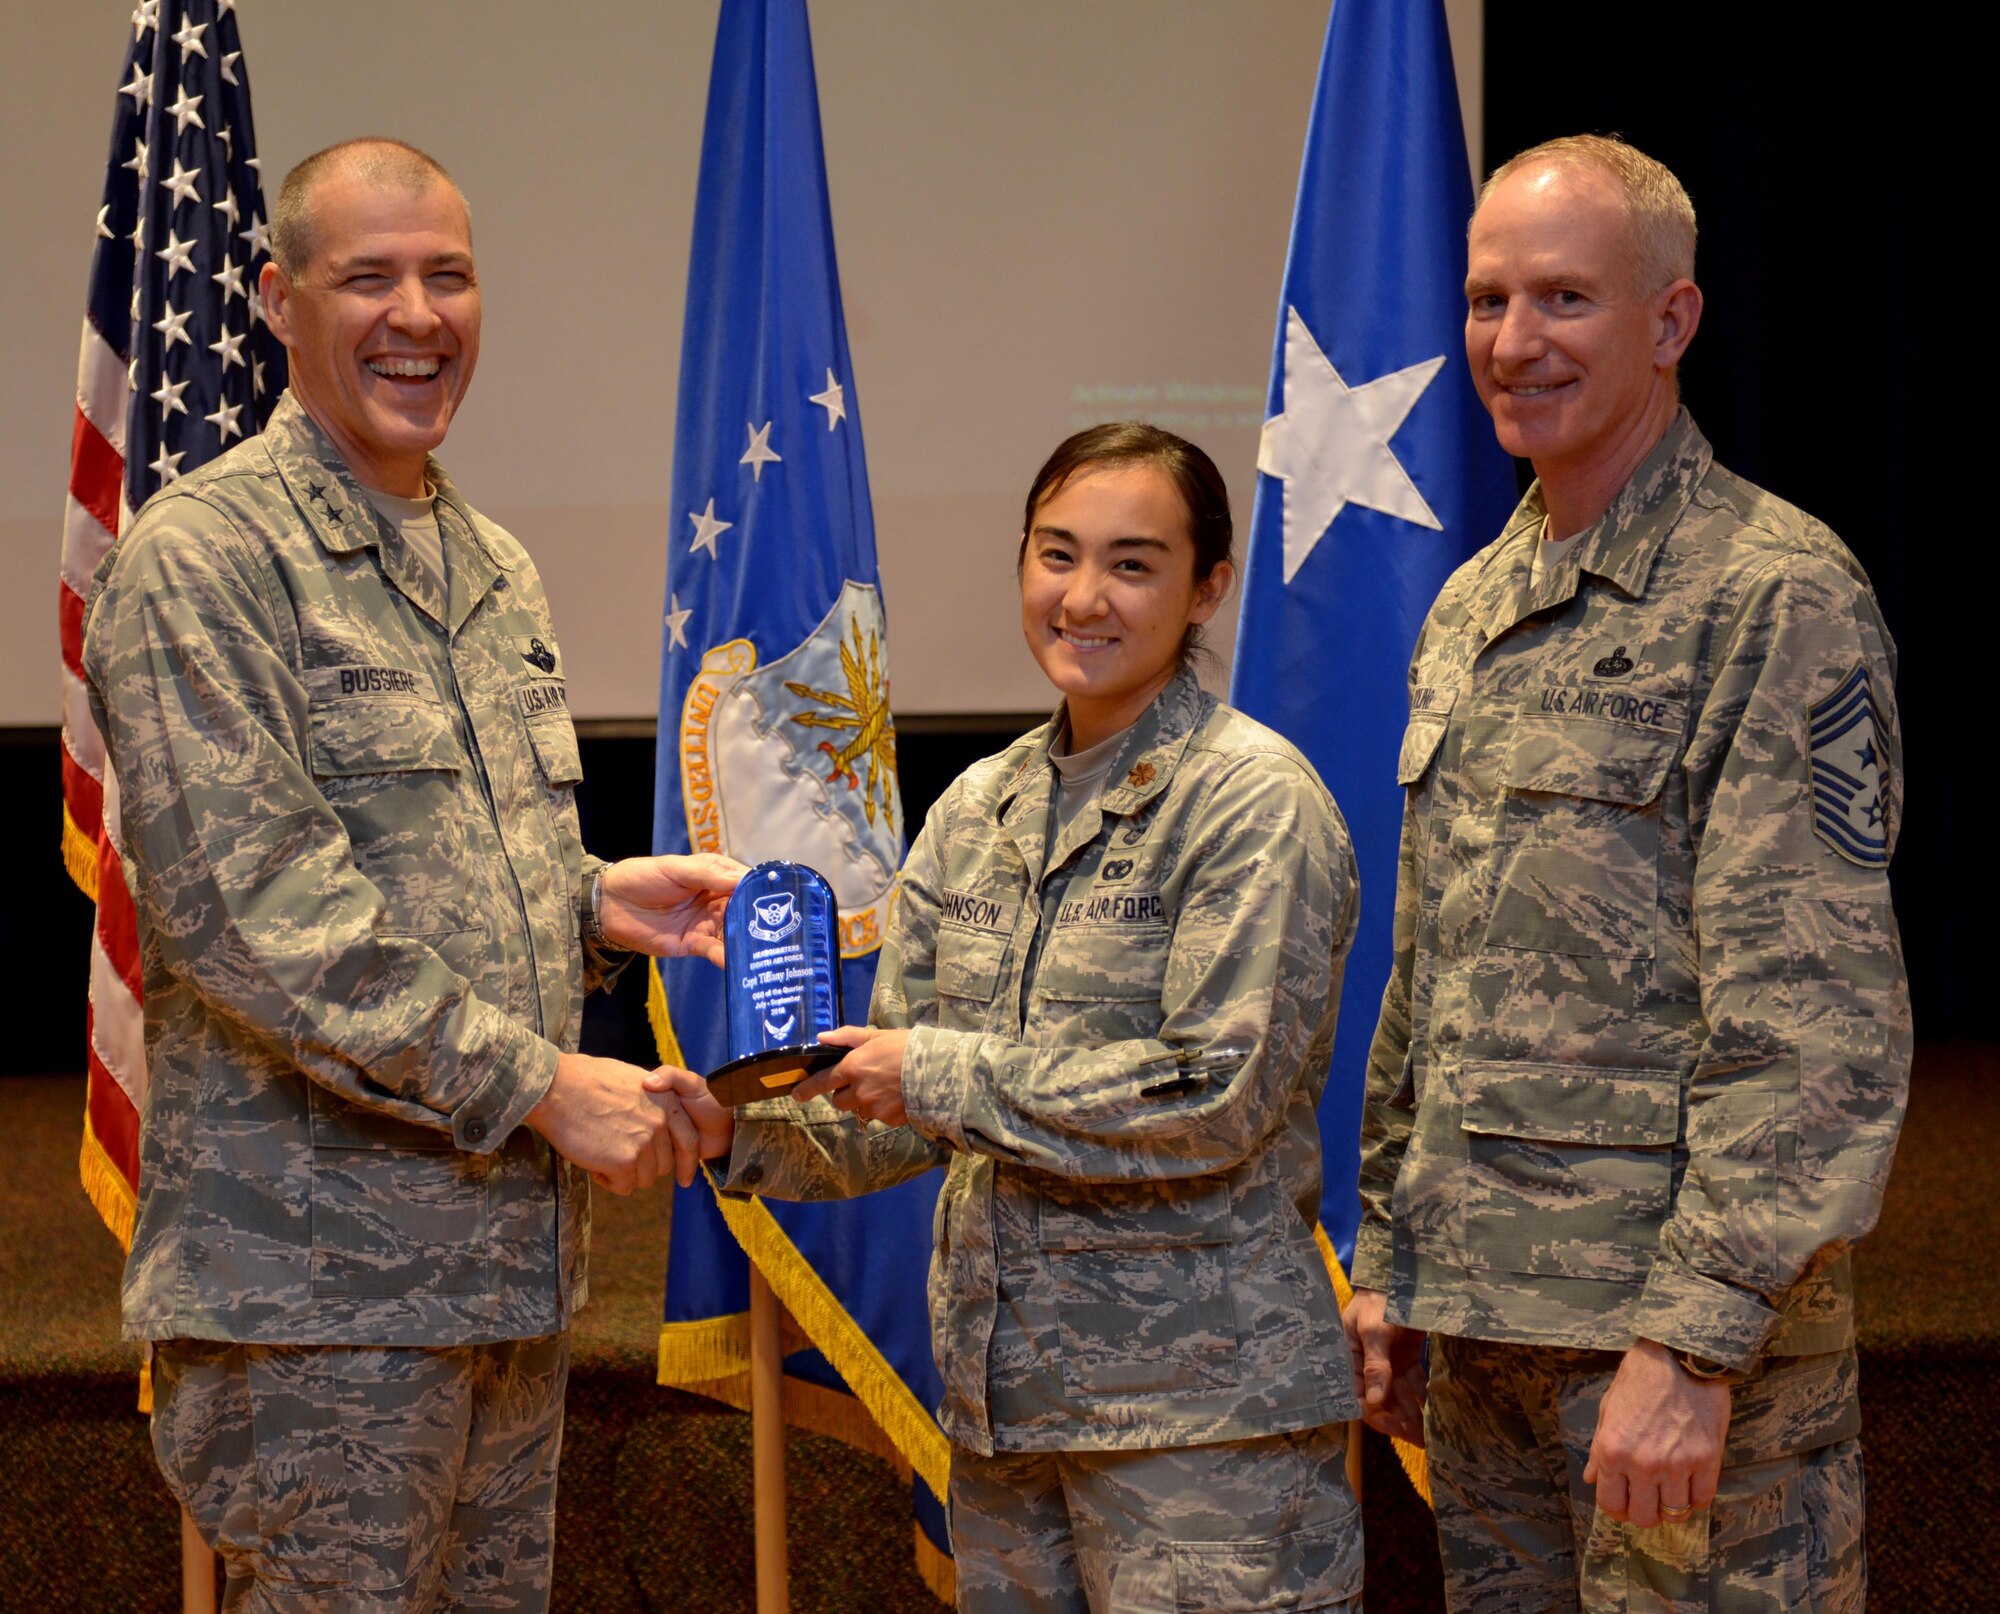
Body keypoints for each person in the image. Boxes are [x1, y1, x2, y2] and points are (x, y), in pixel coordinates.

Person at [82, 138, 741, 1610]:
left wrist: (591, 899)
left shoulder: (487, 561)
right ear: (277, 298)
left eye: (448, 273)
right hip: (323, 1296)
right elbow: (265, 921)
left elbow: (434, 860)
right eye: (367, 275)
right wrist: (546, 1083)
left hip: (498, 1271)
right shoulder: (206, 560)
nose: (418, 314)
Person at [1341, 135, 1911, 1612]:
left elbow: (1815, 1026)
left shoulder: (1774, 595)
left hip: (1672, 1363)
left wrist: (1698, 1341)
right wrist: (1395, 1261)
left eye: (1564, 300)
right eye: (1485, 300)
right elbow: (1437, 976)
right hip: (1487, 1344)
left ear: (1671, 322)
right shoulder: (1475, 603)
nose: (1512, 343)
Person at [669, 424, 1364, 1613]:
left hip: (1199, 1435)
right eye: (1055, 554)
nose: (1082, 597)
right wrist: (739, 1133)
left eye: (1132, 564)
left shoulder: (1252, 803)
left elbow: (1213, 1094)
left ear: (1207, 587)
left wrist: (933, 1073)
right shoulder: (977, 808)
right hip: (1003, 1427)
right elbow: (901, 1107)